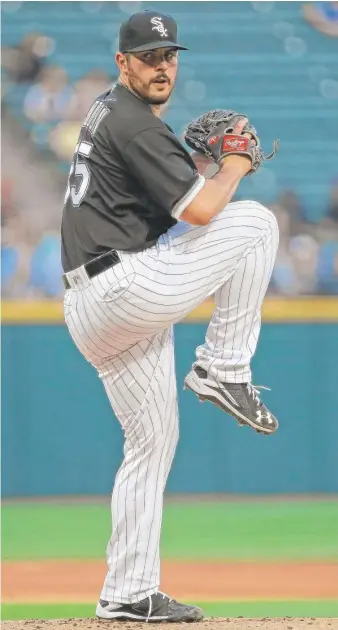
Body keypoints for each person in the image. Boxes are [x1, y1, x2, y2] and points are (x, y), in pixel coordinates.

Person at [61, 10, 279, 623]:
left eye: (169, 56)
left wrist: (206, 174)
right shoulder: (134, 124)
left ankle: (128, 592)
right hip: (122, 287)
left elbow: (171, 211)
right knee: (257, 221)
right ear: (122, 62)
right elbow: (206, 211)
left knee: (152, 442)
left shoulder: (111, 112)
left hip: (92, 303)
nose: (162, 67)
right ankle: (223, 366)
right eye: (149, 56)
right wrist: (234, 163)